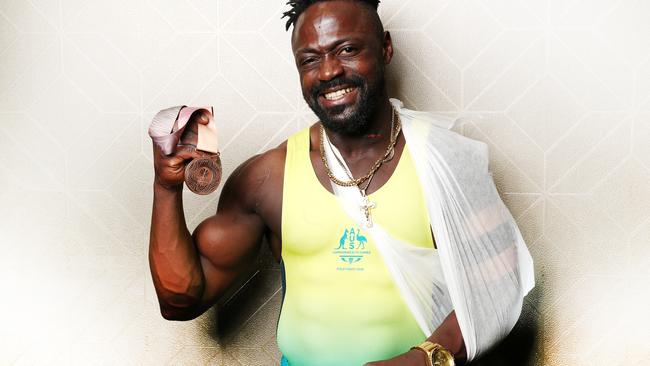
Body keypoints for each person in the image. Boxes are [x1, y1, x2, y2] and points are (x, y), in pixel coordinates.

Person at [148, 1, 533, 365]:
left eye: (347, 49)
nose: (329, 71)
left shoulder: (446, 162)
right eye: (310, 59)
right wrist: (166, 188)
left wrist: (425, 358)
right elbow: (181, 300)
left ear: (385, 48)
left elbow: (497, 287)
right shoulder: (267, 179)